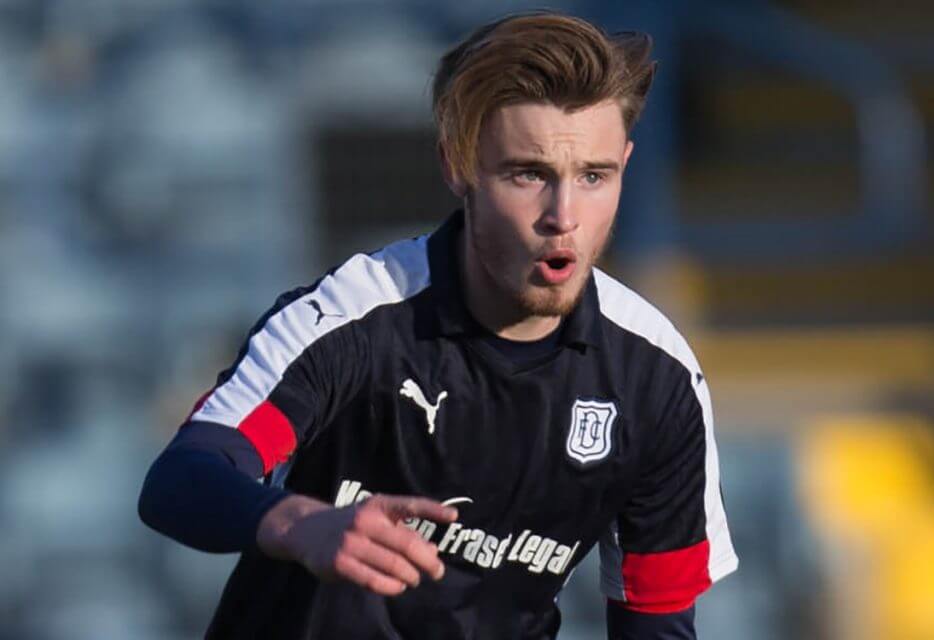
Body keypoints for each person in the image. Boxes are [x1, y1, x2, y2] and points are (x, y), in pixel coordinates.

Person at [138, 11, 738, 639]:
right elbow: (186, 477)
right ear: (458, 165)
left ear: (625, 163)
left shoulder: (656, 377)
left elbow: (657, 623)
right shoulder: (355, 319)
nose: (564, 216)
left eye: (594, 176)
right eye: (528, 174)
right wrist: (300, 524)